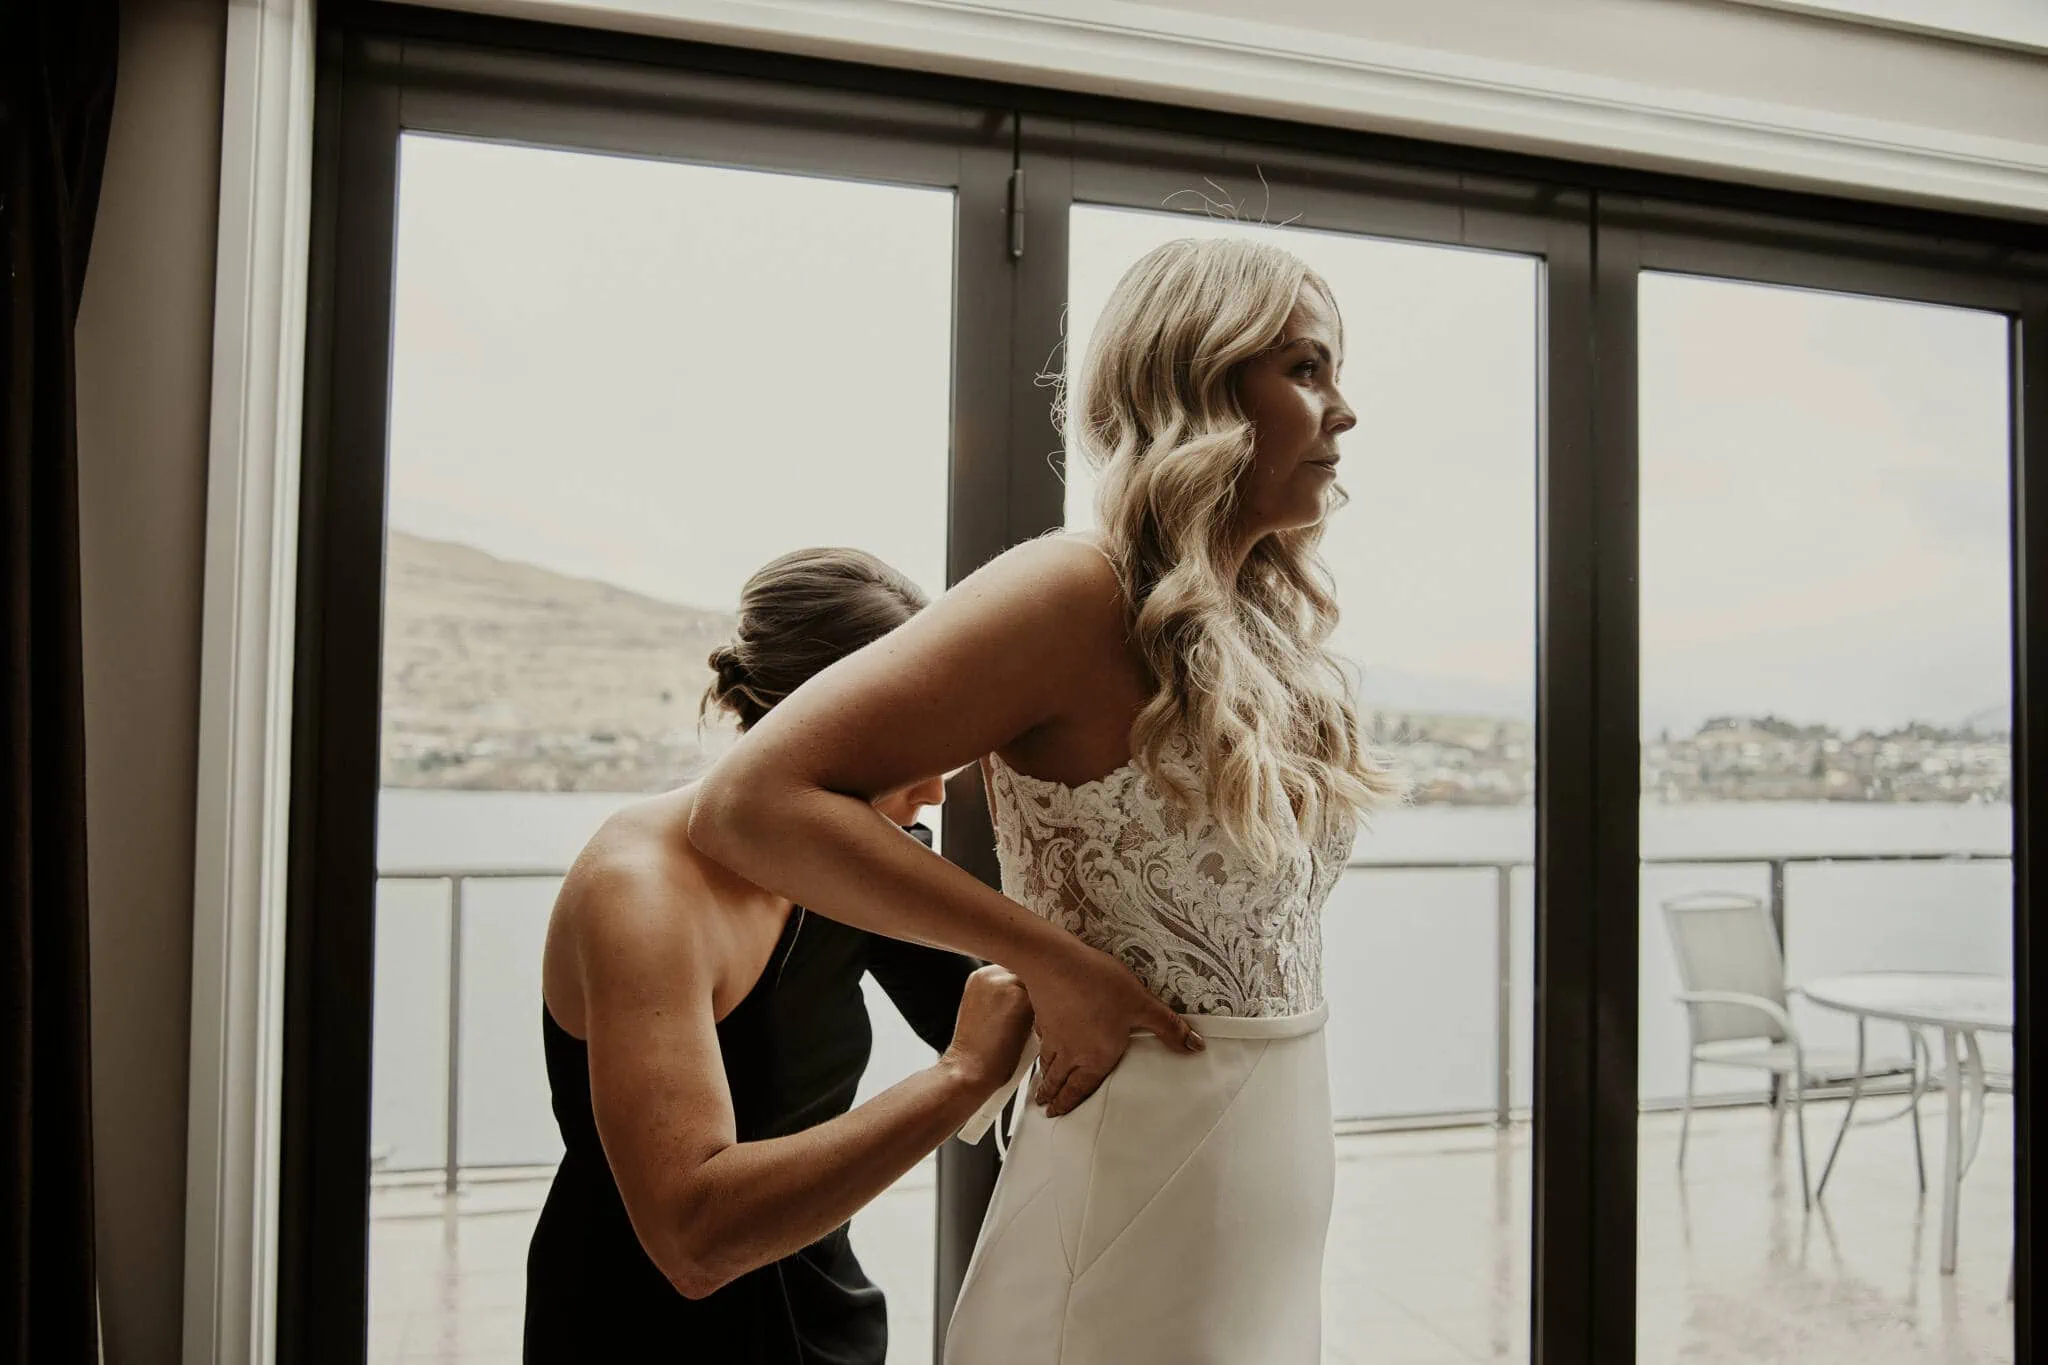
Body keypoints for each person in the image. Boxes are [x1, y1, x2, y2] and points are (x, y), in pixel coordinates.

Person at [688, 235, 1397, 1365]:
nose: (1344, 412)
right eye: (1305, 370)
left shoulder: (1249, 624)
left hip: (1261, 1174)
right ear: (1199, 380)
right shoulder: (1073, 588)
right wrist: (1054, 966)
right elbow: (750, 802)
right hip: (1131, 1175)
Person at [522, 547, 1036, 1363]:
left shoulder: (850, 852)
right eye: (910, 738)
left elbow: (1012, 1011)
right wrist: (956, 1079)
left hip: (825, 1317)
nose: (936, 786)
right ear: (814, 723)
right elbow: (692, 1235)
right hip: (644, 1335)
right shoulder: (640, 893)